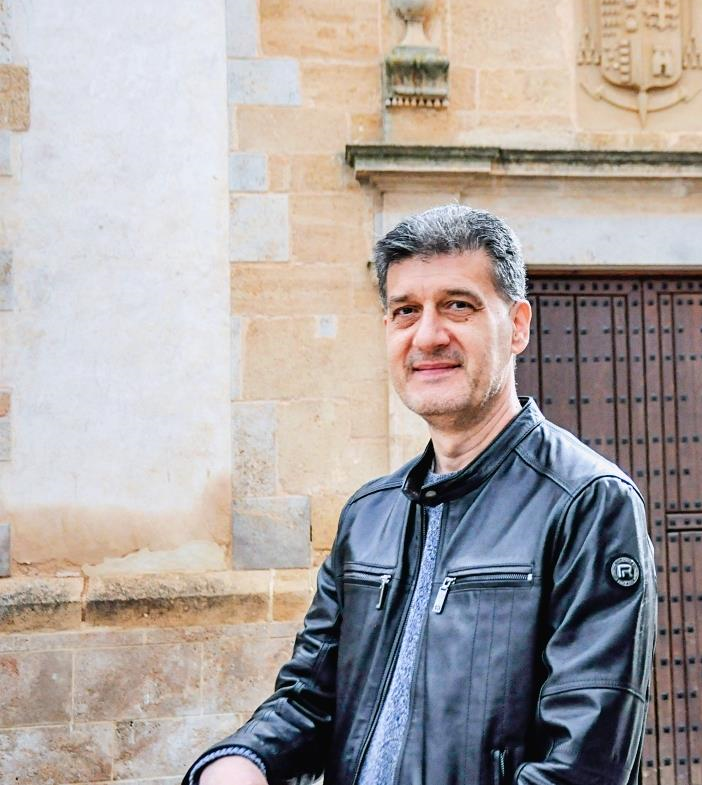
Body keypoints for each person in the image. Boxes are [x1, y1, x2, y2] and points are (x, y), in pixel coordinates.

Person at [186, 204, 657, 785]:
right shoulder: (369, 514)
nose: (428, 335)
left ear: (517, 326)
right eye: (406, 311)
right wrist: (241, 760)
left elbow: (582, 766)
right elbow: (310, 697)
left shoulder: (587, 503)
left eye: (458, 305)